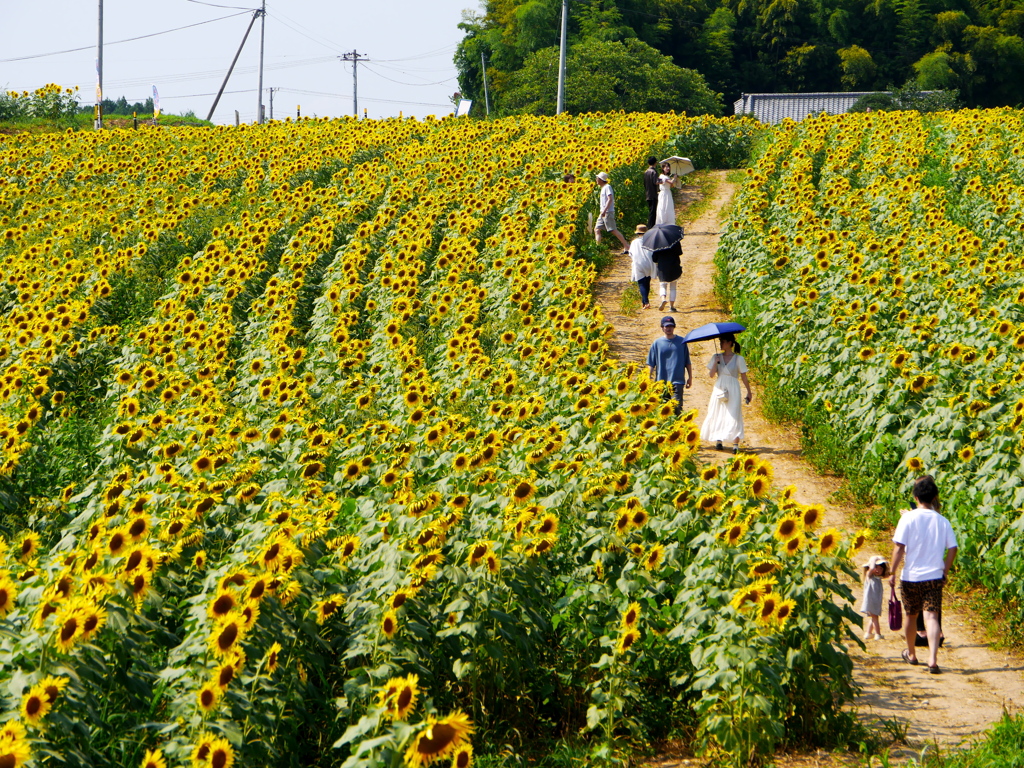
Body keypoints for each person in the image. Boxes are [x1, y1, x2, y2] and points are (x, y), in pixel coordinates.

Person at [889, 475, 957, 674]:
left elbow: (899, 548)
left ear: (916, 497)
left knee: (911, 616)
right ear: (934, 497)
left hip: (911, 576)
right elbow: (953, 548)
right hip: (934, 577)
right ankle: (933, 660)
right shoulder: (942, 521)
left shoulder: (907, 518)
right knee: (932, 617)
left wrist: (892, 571)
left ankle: (911, 654)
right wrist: (945, 570)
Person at [699, 333, 753, 453]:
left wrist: (749, 391)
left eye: (723, 341)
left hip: (733, 386)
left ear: (730, 343)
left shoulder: (739, 359)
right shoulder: (716, 357)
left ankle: (735, 444)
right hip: (720, 386)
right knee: (717, 411)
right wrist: (715, 362)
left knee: (734, 413)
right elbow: (711, 375)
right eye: (720, 341)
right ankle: (719, 440)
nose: (720, 343)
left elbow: (744, 376)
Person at [646, 316, 692, 415]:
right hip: (661, 382)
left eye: (671, 326)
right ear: (662, 327)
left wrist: (690, 377)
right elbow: (651, 363)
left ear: (674, 327)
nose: (669, 328)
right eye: (666, 326)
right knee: (662, 409)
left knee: (676, 408)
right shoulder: (657, 343)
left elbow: (687, 361)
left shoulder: (682, 342)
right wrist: (648, 377)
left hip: (677, 381)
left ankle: (678, 428)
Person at [595, 172, 629, 253]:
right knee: (597, 229)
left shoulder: (607, 187)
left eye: (598, 178)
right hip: (603, 212)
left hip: (607, 212)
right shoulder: (603, 188)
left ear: (601, 180)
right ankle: (597, 249)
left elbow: (610, 199)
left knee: (613, 230)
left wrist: (604, 210)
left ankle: (627, 246)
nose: (596, 180)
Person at [860, 555, 888, 640]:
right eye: (876, 567)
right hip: (871, 601)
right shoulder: (869, 576)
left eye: (881, 569)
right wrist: (874, 559)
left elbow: (888, 572)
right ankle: (878, 634)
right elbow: (871, 568)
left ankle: (868, 633)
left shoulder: (878, 578)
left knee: (873, 618)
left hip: (875, 601)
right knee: (875, 618)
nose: (878, 570)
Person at [629, 224, 654, 310]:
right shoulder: (650, 240)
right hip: (649, 263)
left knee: (641, 283)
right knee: (647, 282)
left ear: (637, 233)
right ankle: (645, 301)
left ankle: (646, 302)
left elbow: (631, 254)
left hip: (638, 263)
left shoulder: (634, 242)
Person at [655, 162, 679, 226]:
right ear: (663, 168)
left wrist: (674, 181)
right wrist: (674, 178)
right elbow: (658, 182)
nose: (668, 168)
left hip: (668, 193)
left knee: (668, 207)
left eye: (668, 167)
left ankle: (669, 223)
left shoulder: (667, 176)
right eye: (666, 167)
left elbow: (671, 185)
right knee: (663, 207)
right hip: (663, 193)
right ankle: (662, 223)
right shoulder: (662, 176)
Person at [643, 156, 659, 228]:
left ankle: (650, 226)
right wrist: (662, 181)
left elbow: (644, 183)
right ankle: (651, 227)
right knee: (653, 212)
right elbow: (655, 182)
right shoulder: (653, 172)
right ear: (655, 163)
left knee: (651, 211)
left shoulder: (646, 172)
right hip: (653, 194)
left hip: (648, 194)